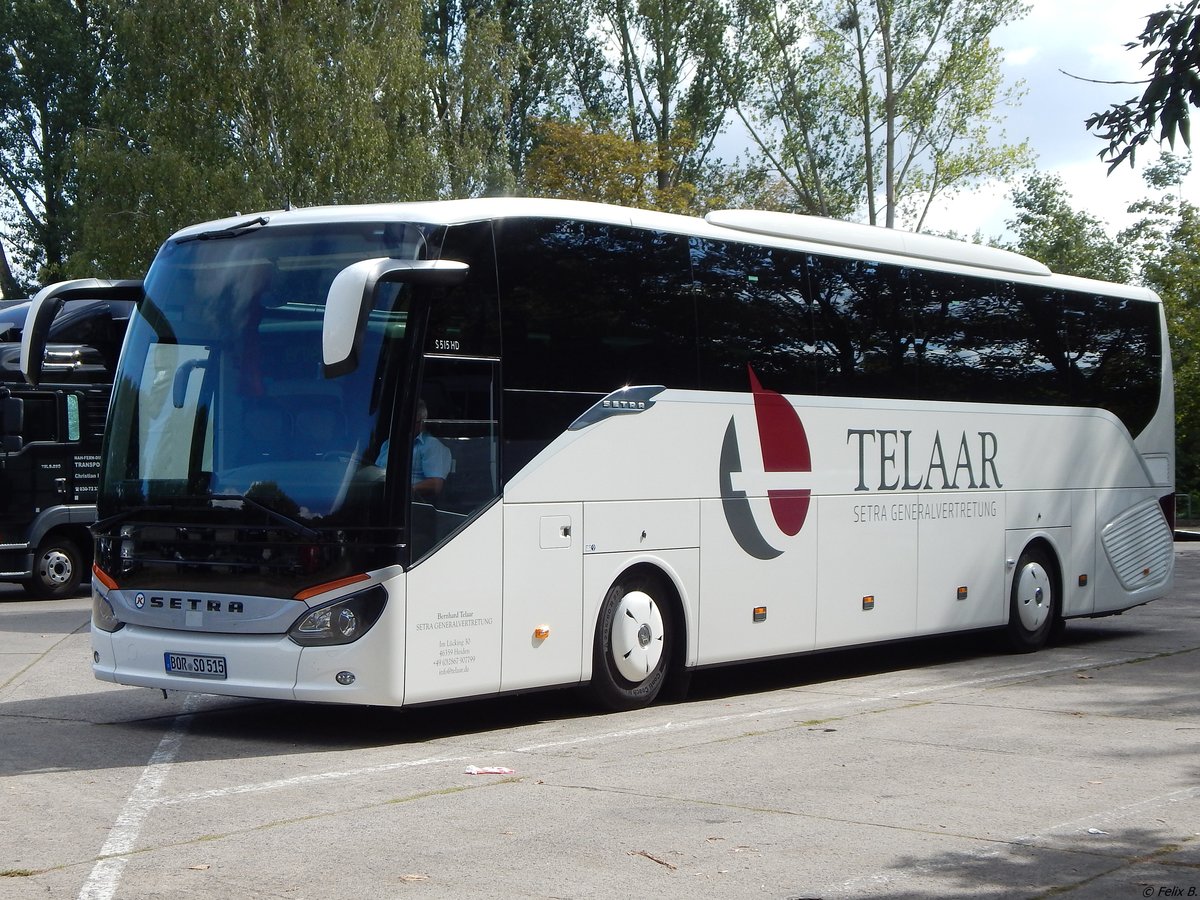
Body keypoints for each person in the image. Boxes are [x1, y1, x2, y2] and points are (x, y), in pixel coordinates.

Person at [376, 399, 452, 502]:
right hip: (380, 497)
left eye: (410, 422)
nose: (404, 425)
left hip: (411, 505)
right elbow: (376, 471)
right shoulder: (388, 443)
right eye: (401, 420)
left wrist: (407, 490)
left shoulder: (431, 445)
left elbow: (435, 485)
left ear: (422, 422)